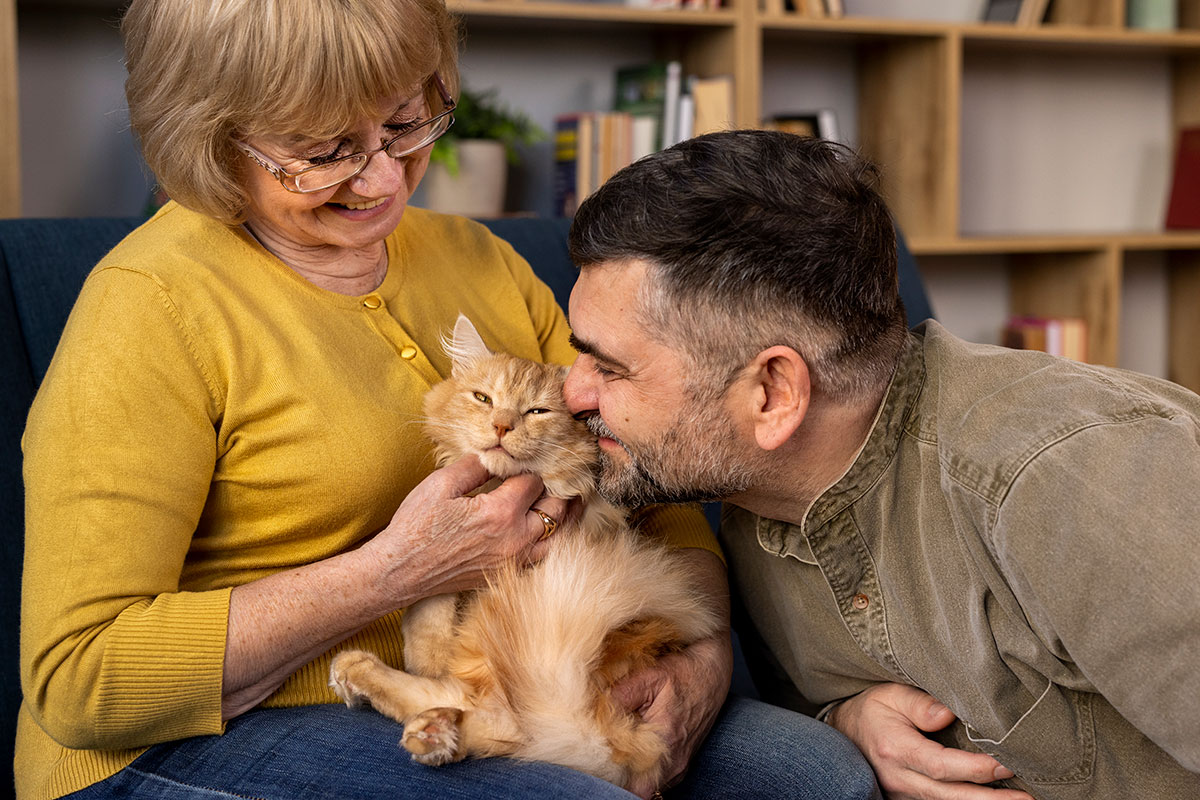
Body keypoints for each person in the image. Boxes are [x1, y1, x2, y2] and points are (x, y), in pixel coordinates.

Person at [18, 3, 881, 799]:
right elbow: (81, 680)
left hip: (521, 669)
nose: (385, 180)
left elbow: (651, 478)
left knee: (823, 780)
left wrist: (700, 663)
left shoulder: (482, 260)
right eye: (324, 152)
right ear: (213, 139)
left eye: (404, 123)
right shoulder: (150, 306)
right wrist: (393, 574)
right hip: (203, 735)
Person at [561, 129, 1200, 800]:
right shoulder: (749, 498)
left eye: (610, 367)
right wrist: (845, 721)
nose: (572, 394)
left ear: (773, 394)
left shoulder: (1065, 479)